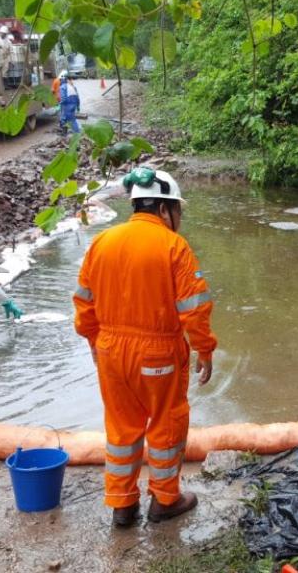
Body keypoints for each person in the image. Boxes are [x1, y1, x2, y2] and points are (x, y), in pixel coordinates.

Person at [73, 167, 217, 528]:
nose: (179, 219)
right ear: (165, 209)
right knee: (166, 425)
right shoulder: (174, 246)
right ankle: (165, 500)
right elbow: (194, 308)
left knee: (122, 429)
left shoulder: (102, 242)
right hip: (158, 353)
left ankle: (122, 504)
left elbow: (83, 303)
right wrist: (205, 349)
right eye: (178, 211)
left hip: (109, 351)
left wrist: (94, 341)